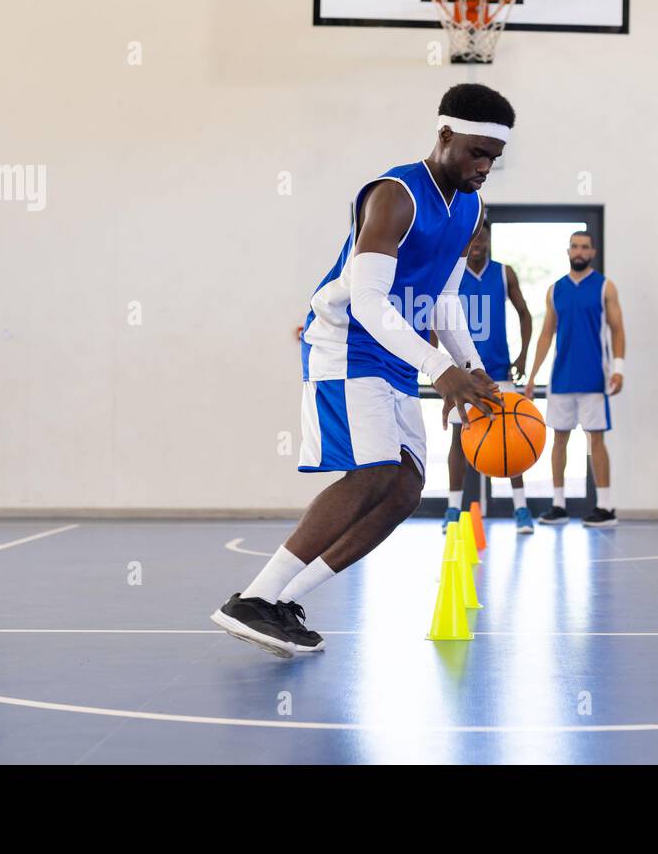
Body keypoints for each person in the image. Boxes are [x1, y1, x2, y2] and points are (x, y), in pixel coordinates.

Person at [211, 83, 513, 658]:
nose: (484, 167)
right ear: (445, 135)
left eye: (493, 158)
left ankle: (281, 601)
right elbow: (369, 301)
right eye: (476, 152)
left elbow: (445, 301)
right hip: (347, 341)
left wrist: (472, 370)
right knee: (373, 471)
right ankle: (251, 600)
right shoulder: (395, 196)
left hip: (395, 351)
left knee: (404, 490)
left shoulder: (471, 208)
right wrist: (438, 368)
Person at [525, 232, 625, 528]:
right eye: (575, 246)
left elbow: (618, 330)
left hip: (595, 377)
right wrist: (532, 375)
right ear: (568, 250)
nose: (579, 251)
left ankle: (605, 507)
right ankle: (559, 505)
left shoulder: (605, 287)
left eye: (584, 247)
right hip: (561, 378)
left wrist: (619, 368)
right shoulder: (555, 289)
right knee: (559, 439)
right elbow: (546, 334)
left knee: (596, 440)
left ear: (592, 252)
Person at [441, 219, 535, 534]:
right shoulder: (450, 272)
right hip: (463, 372)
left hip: (498, 370)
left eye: (483, 236)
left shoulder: (504, 272)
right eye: (473, 237)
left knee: (513, 434)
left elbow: (524, 312)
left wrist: (523, 354)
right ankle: (453, 510)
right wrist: (437, 365)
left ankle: (521, 509)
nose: (478, 241)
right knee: (460, 436)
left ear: (490, 238)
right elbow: (433, 319)